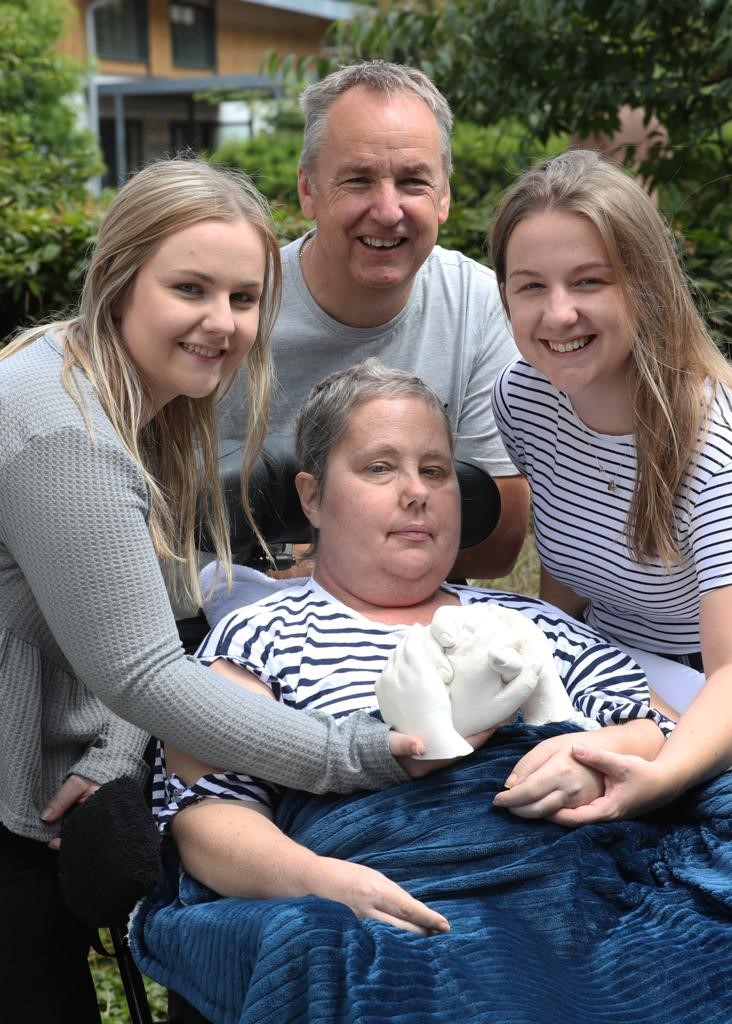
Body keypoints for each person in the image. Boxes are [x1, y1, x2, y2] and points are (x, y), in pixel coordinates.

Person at [0, 161, 431, 1023]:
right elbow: (147, 673)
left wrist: (117, 752)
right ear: (119, 280)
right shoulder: (62, 431)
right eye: (189, 288)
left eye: (243, 298)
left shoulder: (123, 392)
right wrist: (359, 755)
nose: (220, 323)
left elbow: (143, 608)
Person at [156, 360, 671, 939]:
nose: (417, 491)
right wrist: (320, 881)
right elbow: (206, 811)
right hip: (386, 901)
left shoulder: (533, 622)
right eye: (379, 468)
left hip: (590, 892)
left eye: (436, 470)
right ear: (313, 497)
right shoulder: (261, 637)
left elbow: (662, 729)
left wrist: (593, 756)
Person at [216, 59, 529, 584]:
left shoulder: (479, 307)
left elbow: (497, 542)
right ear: (308, 190)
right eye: (358, 180)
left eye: (412, 181)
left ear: (445, 195)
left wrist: (317, 565)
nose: (387, 211)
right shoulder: (237, 304)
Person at [490, 148, 732, 824]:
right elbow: (567, 580)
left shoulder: (710, 442)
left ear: (645, 285)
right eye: (531, 286)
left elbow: (729, 676)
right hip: (609, 667)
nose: (558, 315)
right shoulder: (524, 398)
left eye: (589, 281)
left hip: (703, 694)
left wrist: (654, 779)